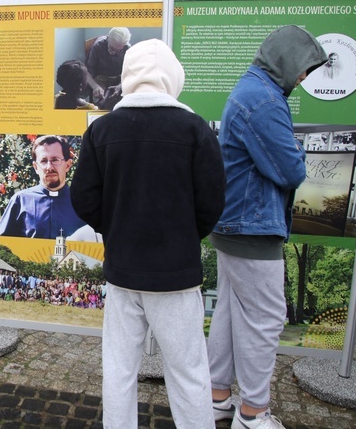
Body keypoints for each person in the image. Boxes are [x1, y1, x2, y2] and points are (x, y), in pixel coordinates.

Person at [70, 39, 226, 429]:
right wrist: (185, 235)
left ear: (129, 77)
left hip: (123, 272)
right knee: (189, 371)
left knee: (119, 369)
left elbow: (84, 199)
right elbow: (212, 201)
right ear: (172, 77)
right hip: (176, 274)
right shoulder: (196, 130)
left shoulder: (102, 130)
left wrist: (116, 228)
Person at [207, 25, 327, 429]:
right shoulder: (263, 99)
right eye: (304, 68)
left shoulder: (252, 89)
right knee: (267, 317)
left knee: (228, 311)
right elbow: (290, 171)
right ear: (287, 60)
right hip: (251, 226)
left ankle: (217, 398)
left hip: (236, 222)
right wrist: (297, 147)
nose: (304, 77)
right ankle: (253, 413)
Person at [0, 135, 86, 239]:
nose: (49, 167)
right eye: (43, 161)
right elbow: (1, 244)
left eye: (55, 160)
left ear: (68, 165)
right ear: (35, 167)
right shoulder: (21, 201)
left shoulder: (83, 203)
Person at [85, 27, 131, 101]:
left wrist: (121, 86)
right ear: (108, 39)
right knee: (101, 99)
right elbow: (87, 72)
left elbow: (130, 72)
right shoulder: (98, 46)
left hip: (119, 78)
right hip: (101, 77)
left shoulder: (127, 48)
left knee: (123, 98)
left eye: (118, 50)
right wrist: (96, 87)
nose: (114, 52)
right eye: (112, 48)